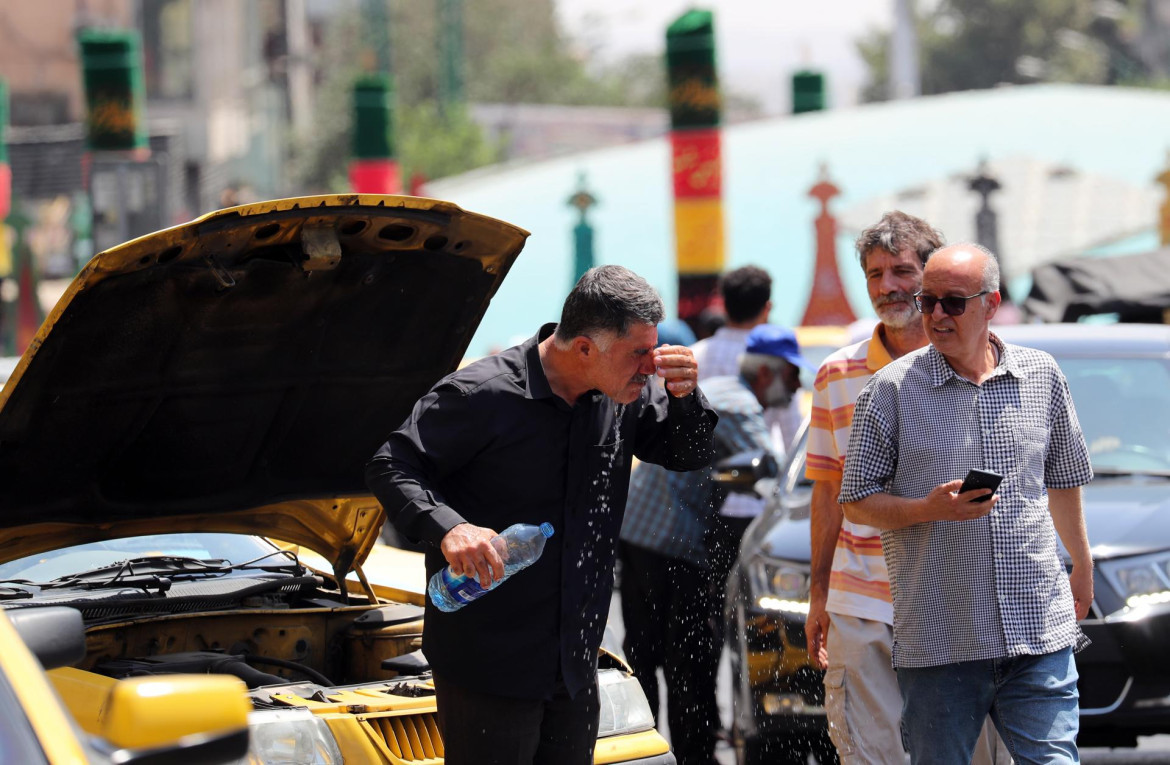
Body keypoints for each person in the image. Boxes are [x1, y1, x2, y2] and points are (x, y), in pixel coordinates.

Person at [365, 265, 718, 765]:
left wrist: (686, 399)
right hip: (489, 665)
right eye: (638, 353)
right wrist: (451, 528)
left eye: (653, 350)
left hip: (575, 665)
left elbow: (688, 452)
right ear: (584, 349)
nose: (650, 366)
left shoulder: (622, 395)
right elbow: (391, 463)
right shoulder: (481, 394)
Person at [839, 244, 1093, 764]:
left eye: (952, 303)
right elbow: (856, 502)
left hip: (1037, 628)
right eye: (926, 300)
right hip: (942, 640)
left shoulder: (1040, 375)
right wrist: (926, 509)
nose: (934, 315)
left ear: (991, 303)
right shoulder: (888, 391)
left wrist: (1082, 564)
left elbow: (1065, 480)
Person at [805, 212, 1009, 765]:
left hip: (960, 604)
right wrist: (819, 594)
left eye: (901, 270)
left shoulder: (988, 365)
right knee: (871, 757)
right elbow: (827, 495)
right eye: (874, 274)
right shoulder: (835, 375)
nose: (887, 287)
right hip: (862, 601)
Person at [618, 323, 803, 765]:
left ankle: (642, 752)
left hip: (638, 533)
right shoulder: (740, 405)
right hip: (674, 543)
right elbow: (775, 474)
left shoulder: (720, 385)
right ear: (766, 373)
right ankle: (694, 757)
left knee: (642, 656)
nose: (797, 387)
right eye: (792, 376)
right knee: (692, 665)